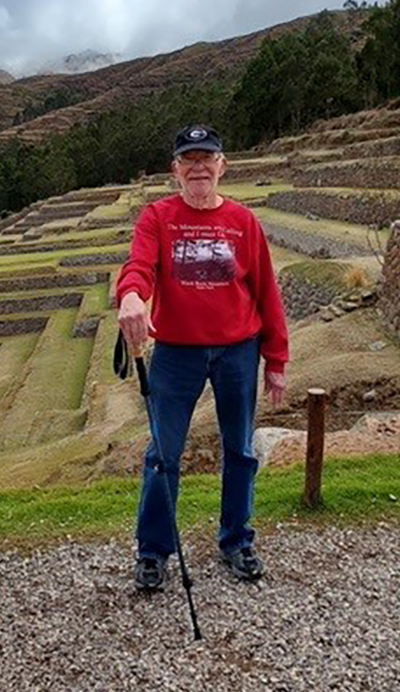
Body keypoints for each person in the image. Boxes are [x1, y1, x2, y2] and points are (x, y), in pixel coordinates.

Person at [116, 124, 289, 591]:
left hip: (238, 350)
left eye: (206, 158)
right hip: (175, 353)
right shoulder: (157, 216)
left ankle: (237, 539)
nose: (198, 167)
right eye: (188, 160)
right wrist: (131, 296)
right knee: (162, 454)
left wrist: (275, 358)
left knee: (240, 450)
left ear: (221, 166)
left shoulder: (243, 222)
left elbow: (266, 292)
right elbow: (139, 266)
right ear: (175, 170)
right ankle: (153, 551)